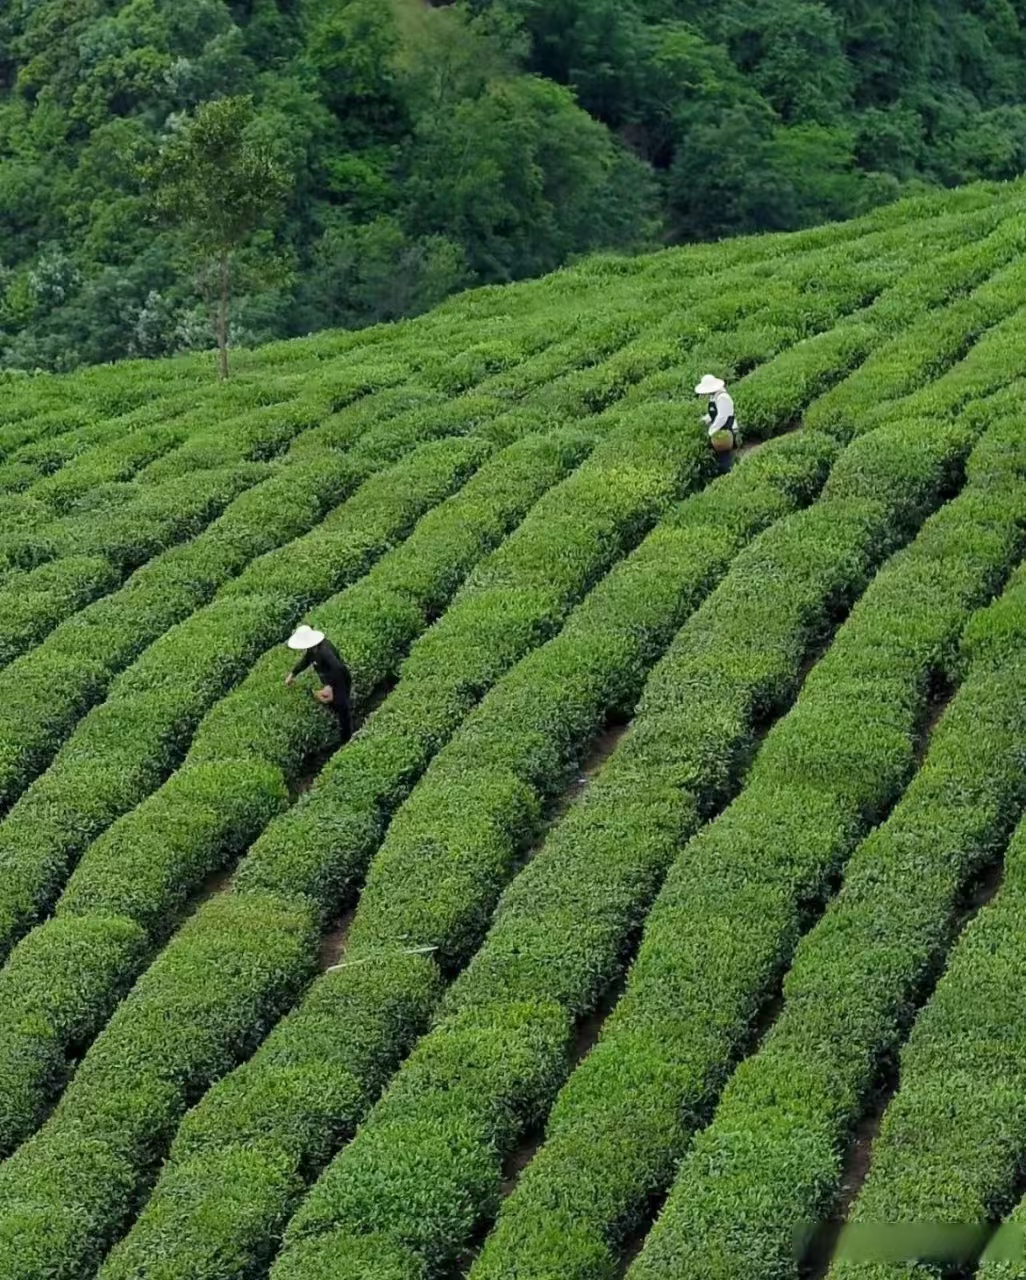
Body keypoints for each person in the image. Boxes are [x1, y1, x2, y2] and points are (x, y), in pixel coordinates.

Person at [284, 624, 354, 743]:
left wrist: (330, 687)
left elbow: (338, 669)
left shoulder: (324, 651)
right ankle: (340, 728)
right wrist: (293, 674)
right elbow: (305, 661)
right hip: (332, 681)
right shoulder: (313, 650)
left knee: (342, 708)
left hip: (340, 680)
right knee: (334, 705)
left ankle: (347, 739)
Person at [695, 374, 739, 474]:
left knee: (725, 457)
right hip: (719, 429)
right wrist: (704, 420)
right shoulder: (713, 397)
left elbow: (722, 417)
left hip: (727, 429)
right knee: (720, 455)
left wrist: (711, 431)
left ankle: (729, 474)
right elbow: (713, 413)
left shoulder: (723, 397)